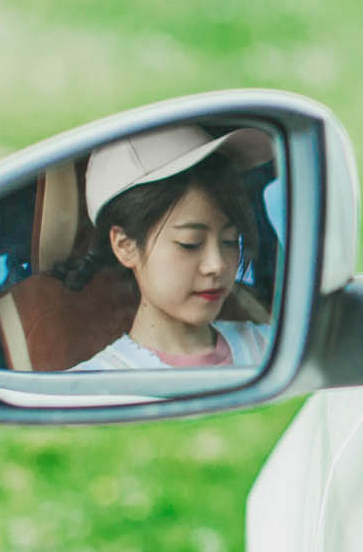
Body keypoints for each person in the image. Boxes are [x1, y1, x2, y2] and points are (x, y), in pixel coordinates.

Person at [63, 124, 275, 370]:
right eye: (190, 244)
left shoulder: (272, 348)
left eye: (230, 241)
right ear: (125, 246)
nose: (216, 265)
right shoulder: (93, 392)